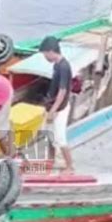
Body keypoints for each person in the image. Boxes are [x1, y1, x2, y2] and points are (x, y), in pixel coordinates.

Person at [39, 36, 74, 174]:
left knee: (60, 138)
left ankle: (70, 166)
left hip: (60, 107)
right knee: (50, 136)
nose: (45, 57)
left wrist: (53, 110)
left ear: (51, 51)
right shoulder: (56, 65)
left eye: (45, 54)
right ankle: (51, 161)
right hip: (53, 105)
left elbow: (63, 90)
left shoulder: (64, 66)